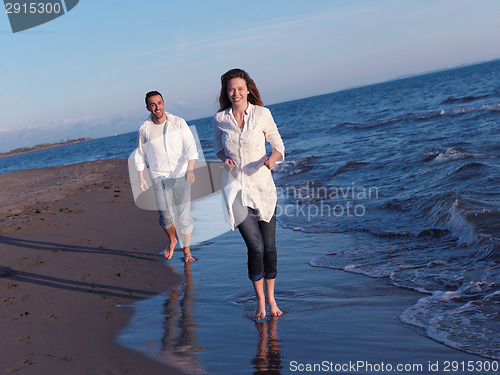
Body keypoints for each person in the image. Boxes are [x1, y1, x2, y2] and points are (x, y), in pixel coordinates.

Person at [213, 69, 285, 320]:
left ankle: (272, 297)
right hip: (235, 189)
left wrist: (272, 160)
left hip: (263, 189)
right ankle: (260, 301)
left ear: (248, 89)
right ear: (226, 92)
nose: (236, 93)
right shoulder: (220, 119)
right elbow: (217, 148)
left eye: (240, 89)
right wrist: (226, 159)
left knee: (270, 248)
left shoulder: (262, 114)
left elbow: (278, 145)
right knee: (255, 247)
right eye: (231, 89)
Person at [135, 90, 198, 262]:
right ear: (148, 107)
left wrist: (191, 168)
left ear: (164, 103)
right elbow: (140, 154)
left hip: (181, 174)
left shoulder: (178, 122)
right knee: (165, 216)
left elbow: (191, 147)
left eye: (160, 103)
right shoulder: (144, 129)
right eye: (153, 104)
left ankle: (187, 252)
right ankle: (172, 239)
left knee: (184, 216)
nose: (157, 107)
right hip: (159, 177)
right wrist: (141, 177)